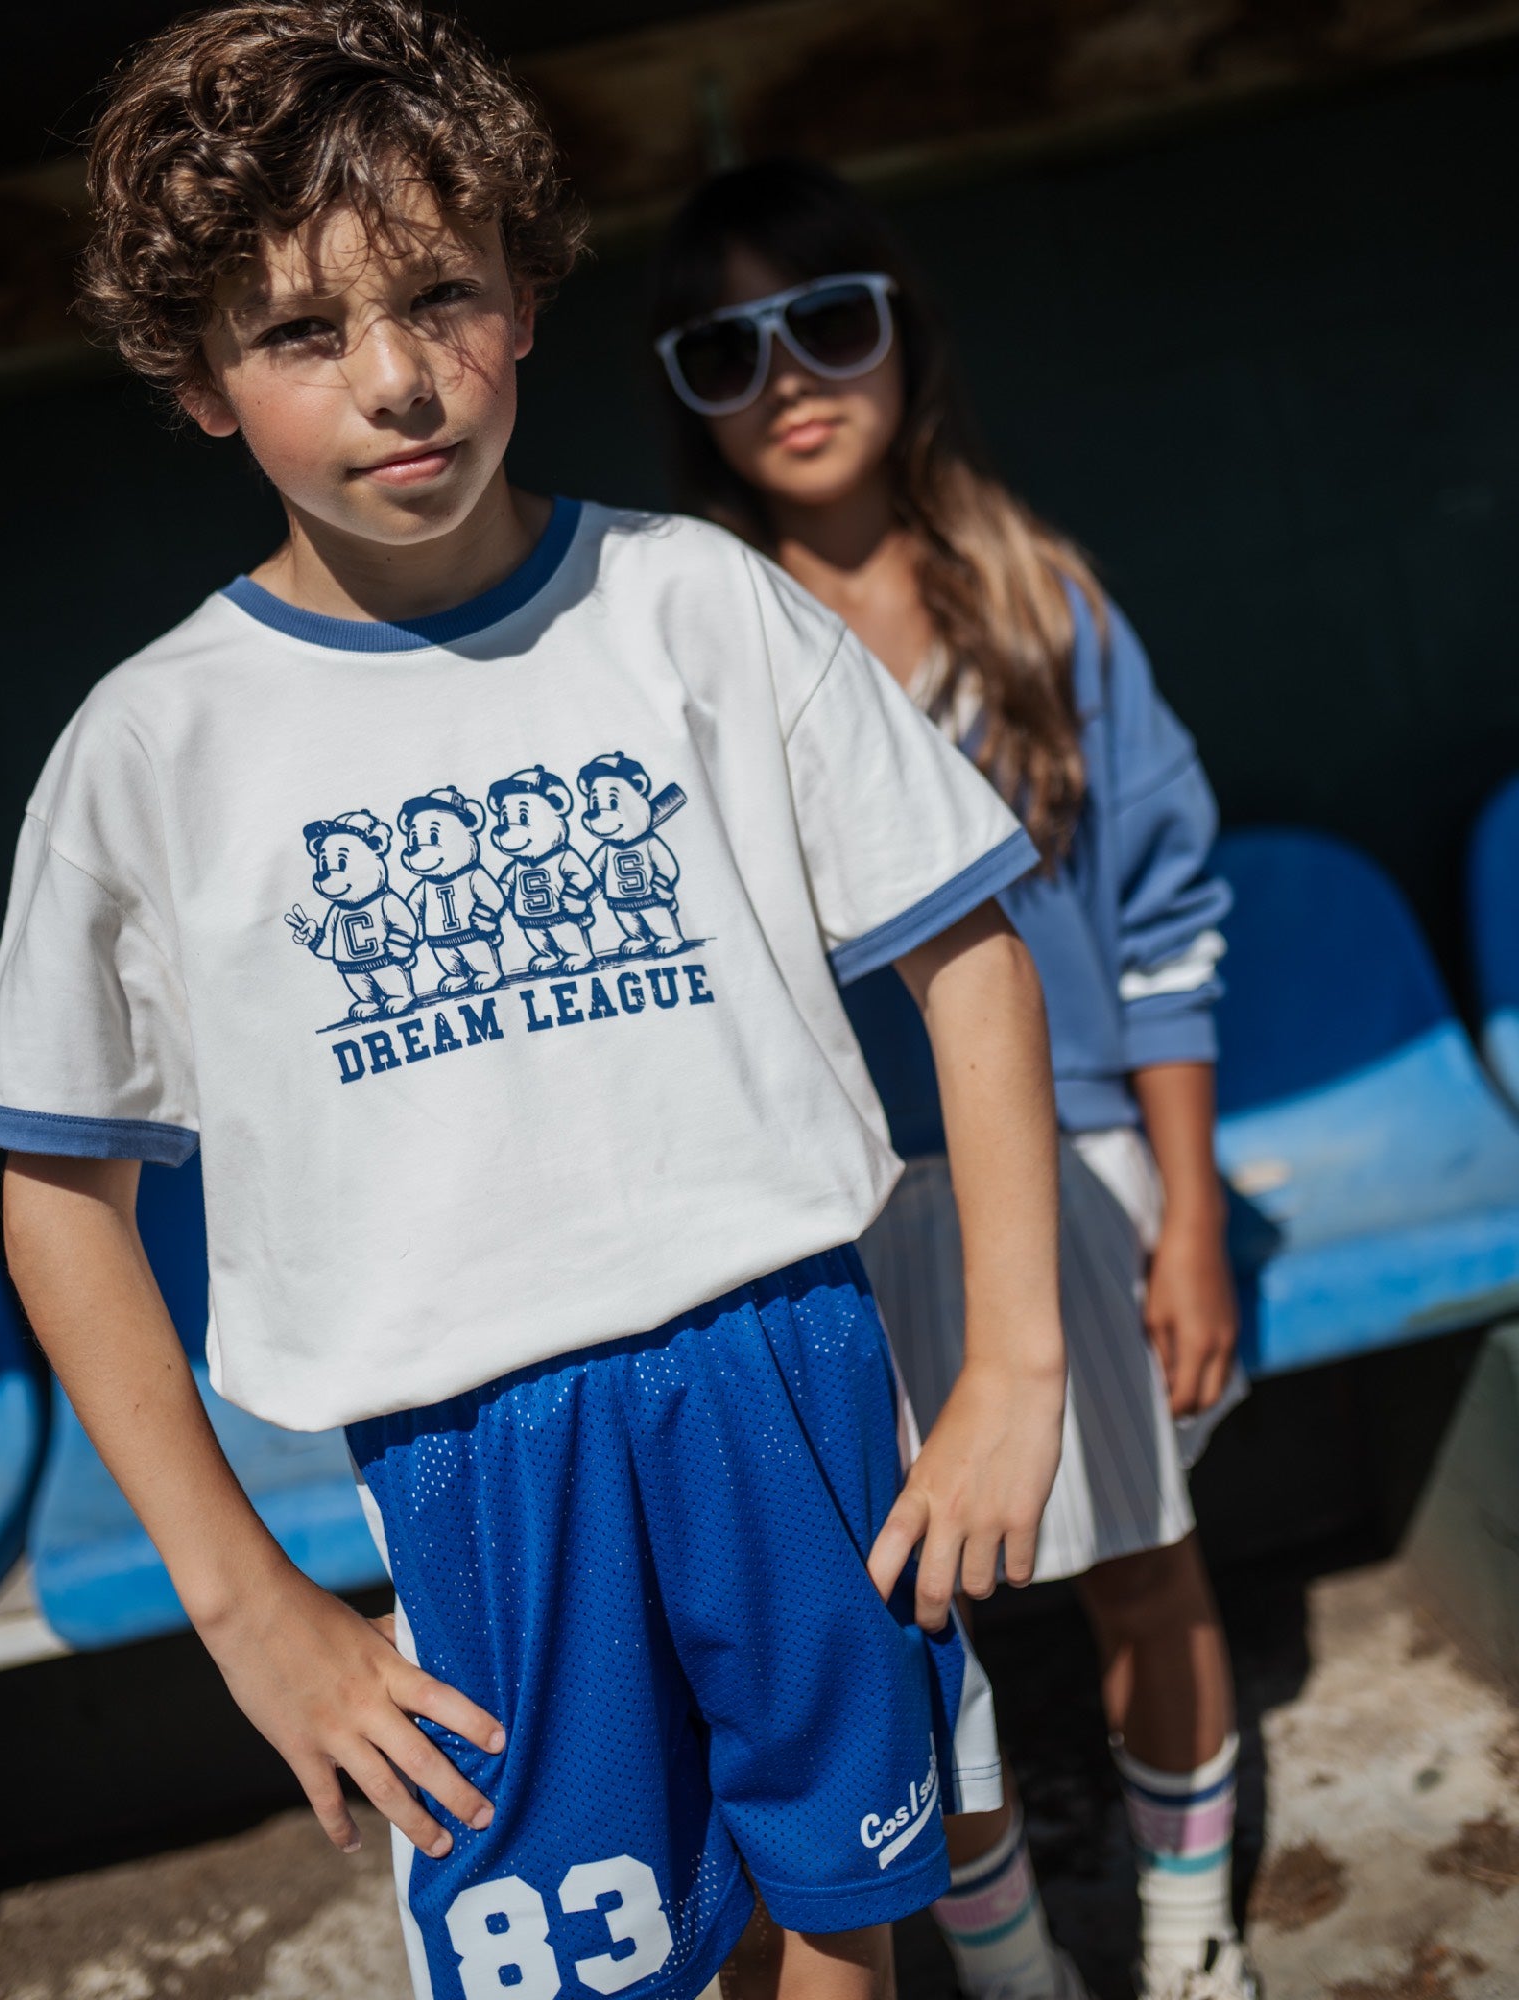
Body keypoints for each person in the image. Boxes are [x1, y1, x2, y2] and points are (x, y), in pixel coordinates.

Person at [0, 11, 1073, 2000]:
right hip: (474, 1466)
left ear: (526, 294)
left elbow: (966, 952)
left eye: (437, 295)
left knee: (842, 1908)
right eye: (301, 332)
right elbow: (57, 1196)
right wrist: (245, 1600)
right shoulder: (147, 750)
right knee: (600, 1968)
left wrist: (1011, 1367)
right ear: (198, 378)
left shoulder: (695, 608)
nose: (394, 378)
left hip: (785, 1374)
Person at [649, 160, 1257, 2000]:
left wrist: (1195, 1217)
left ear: (903, 336)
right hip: (830, 1228)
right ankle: (1012, 1977)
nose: (790, 379)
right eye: (724, 353)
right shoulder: (683, 652)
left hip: (1071, 1180)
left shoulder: (1039, 602)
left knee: (1147, 1570)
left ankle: (1188, 1940)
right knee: (923, 1639)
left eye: (829, 321)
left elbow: (1165, 924)